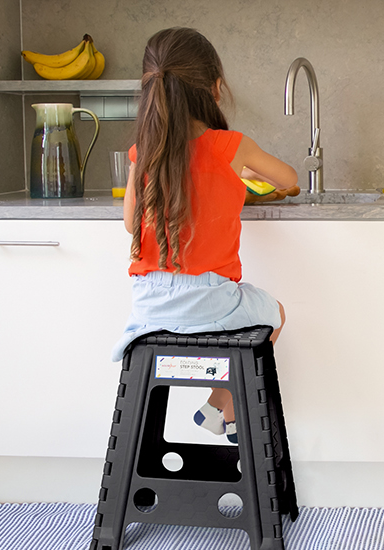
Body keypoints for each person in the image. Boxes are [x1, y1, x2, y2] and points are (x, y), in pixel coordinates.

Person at [111, 27, 299, 444]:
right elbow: (288, 179)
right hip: (209, 300)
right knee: (275, 314)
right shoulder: (231, 146)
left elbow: (130, 222)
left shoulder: (143, 151)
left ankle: (219, 413)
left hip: (148, 308)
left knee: (253, 311)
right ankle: (220, 407)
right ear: (214, 89)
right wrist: (239, 173)